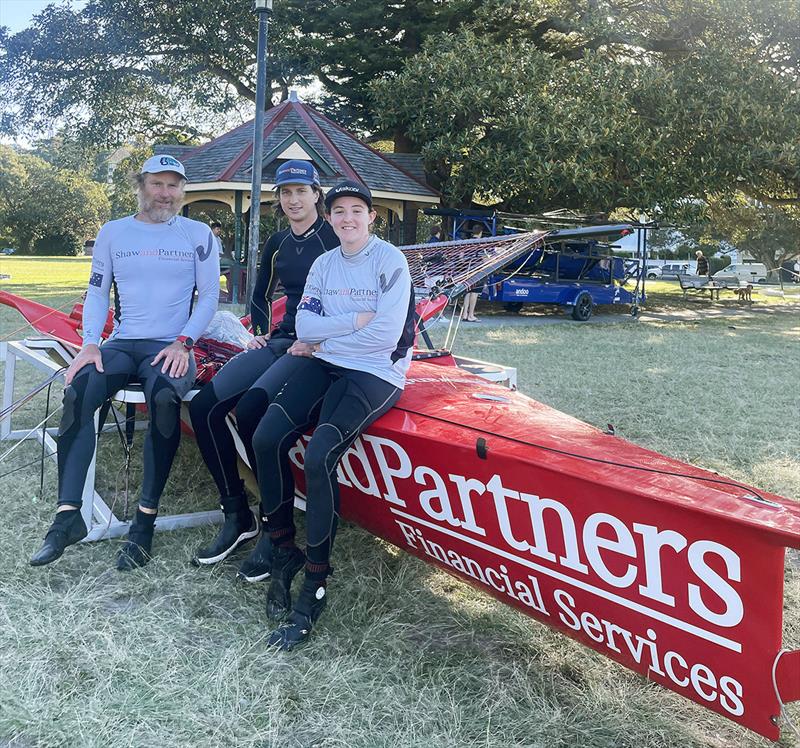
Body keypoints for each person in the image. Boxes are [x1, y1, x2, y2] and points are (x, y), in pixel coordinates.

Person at [30, 155, 220, 570]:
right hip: (122, 343)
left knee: (166, 401)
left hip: (172, 345)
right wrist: (90, 345)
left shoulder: (198, 233)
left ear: (182, 191)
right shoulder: (115, 232)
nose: (165, 193)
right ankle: (66, 518)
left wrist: (185, 342)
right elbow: (97, 292)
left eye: (173, 186)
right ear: (141, 186)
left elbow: (208, 296)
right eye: (156, 184)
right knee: (80, 390)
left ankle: (143, 524)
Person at [252, 179, 415, 650]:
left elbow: (384, 337)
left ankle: (315, 583)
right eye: (339, 210)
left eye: (356, 211)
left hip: (376, 373)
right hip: (327, 360)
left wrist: (325, 336)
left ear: (371, 217)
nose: (347, 218)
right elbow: (303, 325)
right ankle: (282, 547)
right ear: (330, 217)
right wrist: (346, 325)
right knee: (267, 438)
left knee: (320, 453)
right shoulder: (325, 263)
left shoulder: (390, 261)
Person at [188, 160, 338, 578]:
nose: (293, 199)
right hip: (279, 342)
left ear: (316, 194)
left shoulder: (334, 237)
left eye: (301, 191)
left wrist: (324, 340)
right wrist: (256, 331)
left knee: (254, 414)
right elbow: (259, 294)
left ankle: (278, 529)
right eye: (285, 193)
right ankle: (238, 515)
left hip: (317, 348)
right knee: (204, 407)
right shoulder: (277, 242)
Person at [461, 224, 485, 322]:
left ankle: (464, 314)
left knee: (467, 292)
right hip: (477, 271)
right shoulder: (481, 244)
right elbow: (484, 258)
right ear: (481, 232)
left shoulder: (467, 243)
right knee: (474, 293)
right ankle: (471, 315)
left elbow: (461, 258)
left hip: (467, 270)